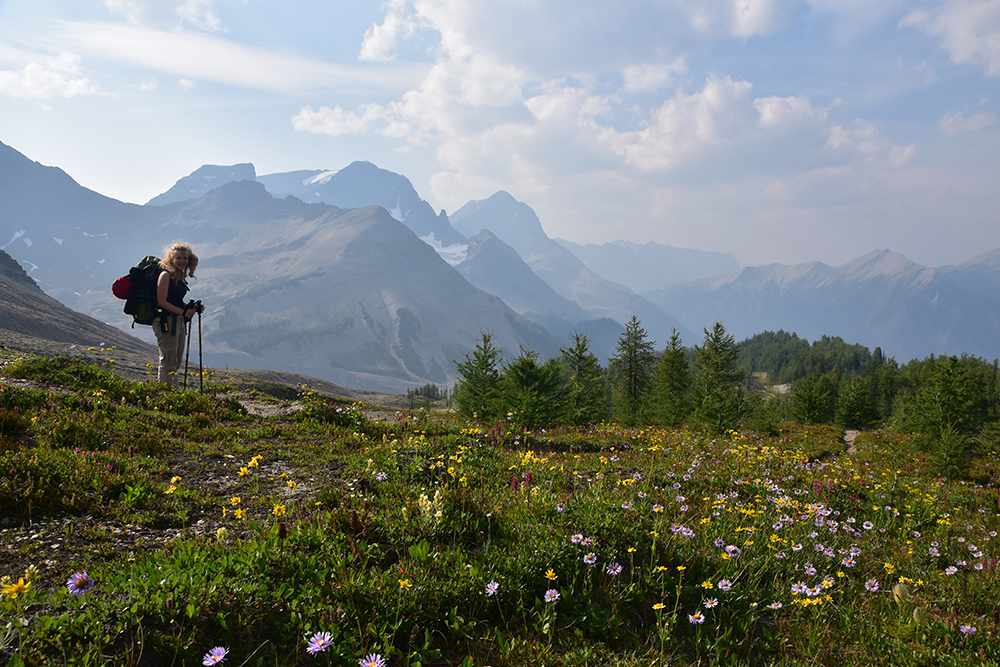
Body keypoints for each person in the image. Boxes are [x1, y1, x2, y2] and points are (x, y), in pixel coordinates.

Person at [154, 243, 204, 386]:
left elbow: (175, 300)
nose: (182, 261)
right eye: (178, 258)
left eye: (185, 258)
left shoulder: (178, 276)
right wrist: (184, 311)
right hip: (166, 322)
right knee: (168, 360)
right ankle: (166, 394)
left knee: (175, 360)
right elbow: (161, 302)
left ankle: (171, 391)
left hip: (178, 321)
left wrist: (191, 308)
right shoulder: (165, 275)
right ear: (171, 258)